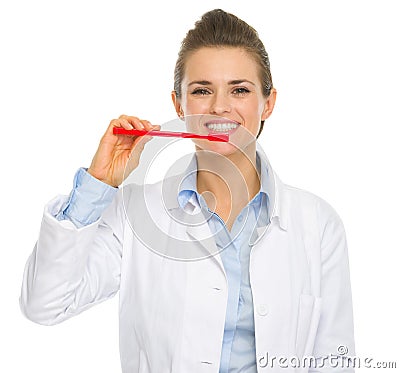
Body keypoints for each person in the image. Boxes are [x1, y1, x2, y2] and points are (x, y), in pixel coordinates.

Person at [20, 9, 355, 373]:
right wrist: (99, 182)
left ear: (268, 103)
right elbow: (45, 304)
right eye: (201, 90)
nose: (220, 106)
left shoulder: (317, 223)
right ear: (179, 105)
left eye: (240, 90)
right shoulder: (136, 215)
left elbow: (335, 360)